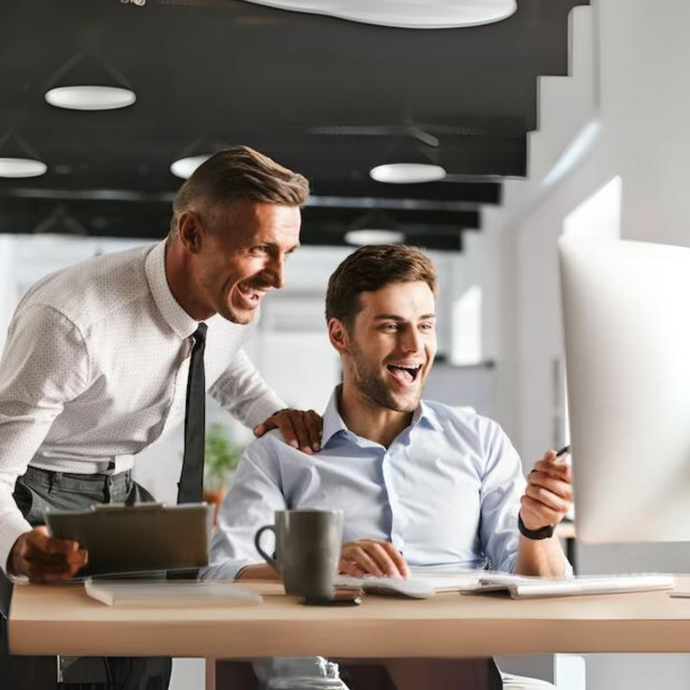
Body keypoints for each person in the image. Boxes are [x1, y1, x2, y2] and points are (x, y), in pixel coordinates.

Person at [0, 146, 322, 688]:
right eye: (260, 249)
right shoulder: (72, 321)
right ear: (192, 234)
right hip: (34, 501)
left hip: (122, 498)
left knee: (147, 665)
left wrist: (270, 411)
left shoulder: (227, 298)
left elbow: (218, 358)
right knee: (62, 674)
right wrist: (15, 542)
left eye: (287, 251)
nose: (279, 277)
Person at [204, 244, 573, 690]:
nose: (415, 346)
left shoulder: (479, 441)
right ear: (340, 336)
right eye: (391, 326)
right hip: (332, 674)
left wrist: (537, 530)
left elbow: (540, 590)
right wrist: (318, 568)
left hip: (454, 668)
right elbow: (222, 572)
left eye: (425, 326)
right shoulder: (281, 455)